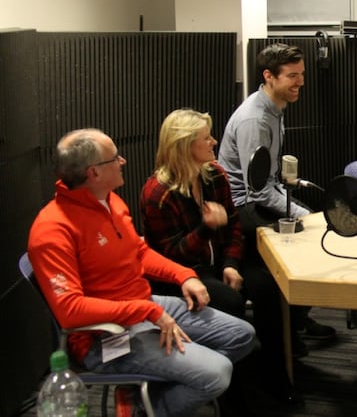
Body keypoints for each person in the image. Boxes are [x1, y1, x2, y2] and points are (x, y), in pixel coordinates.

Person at [27, 128, 256, 417]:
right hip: (105, 337)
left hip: (144, 307)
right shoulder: (52, 230)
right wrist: (146, 312)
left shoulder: (110, 201)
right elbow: (70, 311)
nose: (122, 161)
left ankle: (149, 392)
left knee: (242, 334)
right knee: (217, 373)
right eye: (115, 158)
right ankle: (143, 410)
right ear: (93, 173)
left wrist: (184, 275)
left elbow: (139, 252)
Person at [139, 109, 299, 409]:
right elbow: (170, 254)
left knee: (267, 286)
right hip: (182, 275)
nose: (214, 141)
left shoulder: (215, 174)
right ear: (186, 146)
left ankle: (275, 378)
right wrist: (205, 227)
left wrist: (231, 264)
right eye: (206, 138)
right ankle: (236, 398)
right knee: (230, 301)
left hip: (219, 262)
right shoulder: (158, 193)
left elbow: (235, 226)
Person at [218, 43, 335, 356]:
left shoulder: (274, 108)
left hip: (260, 197)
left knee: (312, 232)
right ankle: (288, 329)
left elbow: (268, 180)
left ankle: (295, 319)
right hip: (243, 209)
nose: (301, 83)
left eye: (302, 74)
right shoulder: (254, 121)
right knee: (309, 240)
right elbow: (256, 190)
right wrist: (303, 213)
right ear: (269, 76)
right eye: (292, 76)